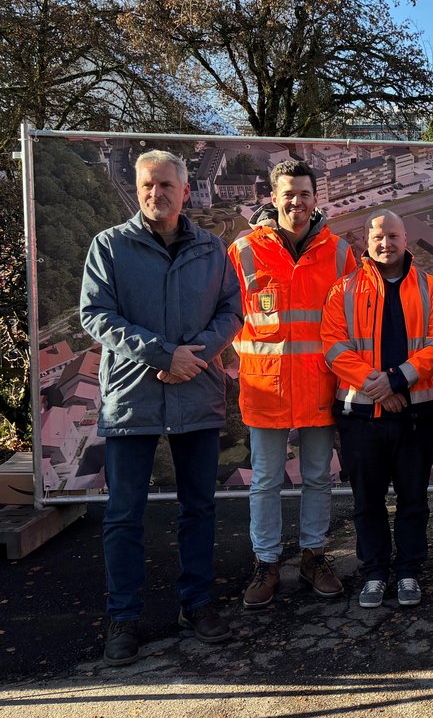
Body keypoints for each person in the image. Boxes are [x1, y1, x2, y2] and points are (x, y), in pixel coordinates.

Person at [80, 150, 242, 665]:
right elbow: (95, 314)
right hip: (134, 396)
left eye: (167, 185)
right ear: (137, 189)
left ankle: (197, 604)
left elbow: (231, 311)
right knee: (123, 514)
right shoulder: (109, 245)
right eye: (148, 185)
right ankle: (123, 617)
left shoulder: (212, 248)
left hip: (196, 392)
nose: (157, 193)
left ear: (185, 191)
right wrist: (163, 354)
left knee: (199, 507)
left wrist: (196, 356)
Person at [230, 160, 357, 608]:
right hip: (265, 387)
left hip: (320, 385)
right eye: (288, 194)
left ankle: (313, 556)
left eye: (304, 194)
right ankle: (266, 562)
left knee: (318, 477)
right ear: (273, 197)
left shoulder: (339, 252)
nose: (296, 202)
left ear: (316, 198)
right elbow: (226, 315)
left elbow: (353, 320)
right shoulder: (244, 250)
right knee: (265, 480)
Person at [320, 210, 433, 609]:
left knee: (413, 499)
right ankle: (374, 572)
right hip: (361, 418)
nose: (386, 243)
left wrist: (397, 379)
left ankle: (408, 570)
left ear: (406, 239)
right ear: (366, 241)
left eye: (393, 236)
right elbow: (333, 347)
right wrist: (379, 387)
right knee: (367, 502)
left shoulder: (432, 288)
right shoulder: (343, 289)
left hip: (416, 416)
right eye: (378, 236)